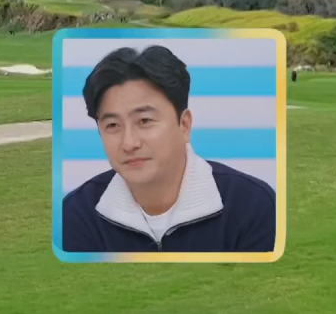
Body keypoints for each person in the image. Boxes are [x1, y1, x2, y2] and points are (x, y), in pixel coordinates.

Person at [62, 45, 276, 253]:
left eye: (145, 121)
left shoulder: (251, 204)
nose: (129, 143)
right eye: (112, 125)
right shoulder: (78, 212)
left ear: (184, 125)